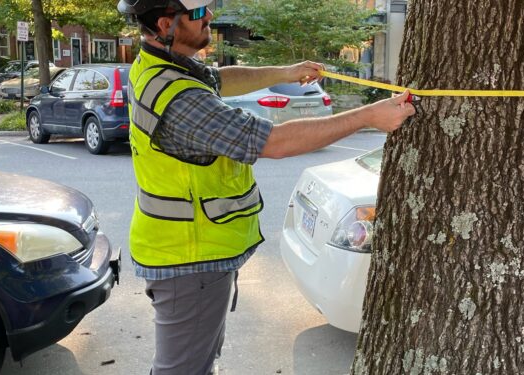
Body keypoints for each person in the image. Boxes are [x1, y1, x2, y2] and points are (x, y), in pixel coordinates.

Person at [116, 0, 416, 374]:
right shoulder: (179, 99)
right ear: (165, 24)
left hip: (185, 252)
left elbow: (221, 79)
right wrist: (369, 115)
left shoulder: (161, 66)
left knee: (196, 362)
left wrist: (287, 72)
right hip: (189, 260)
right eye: (197, 13)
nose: (208, 15)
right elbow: (274, 142)